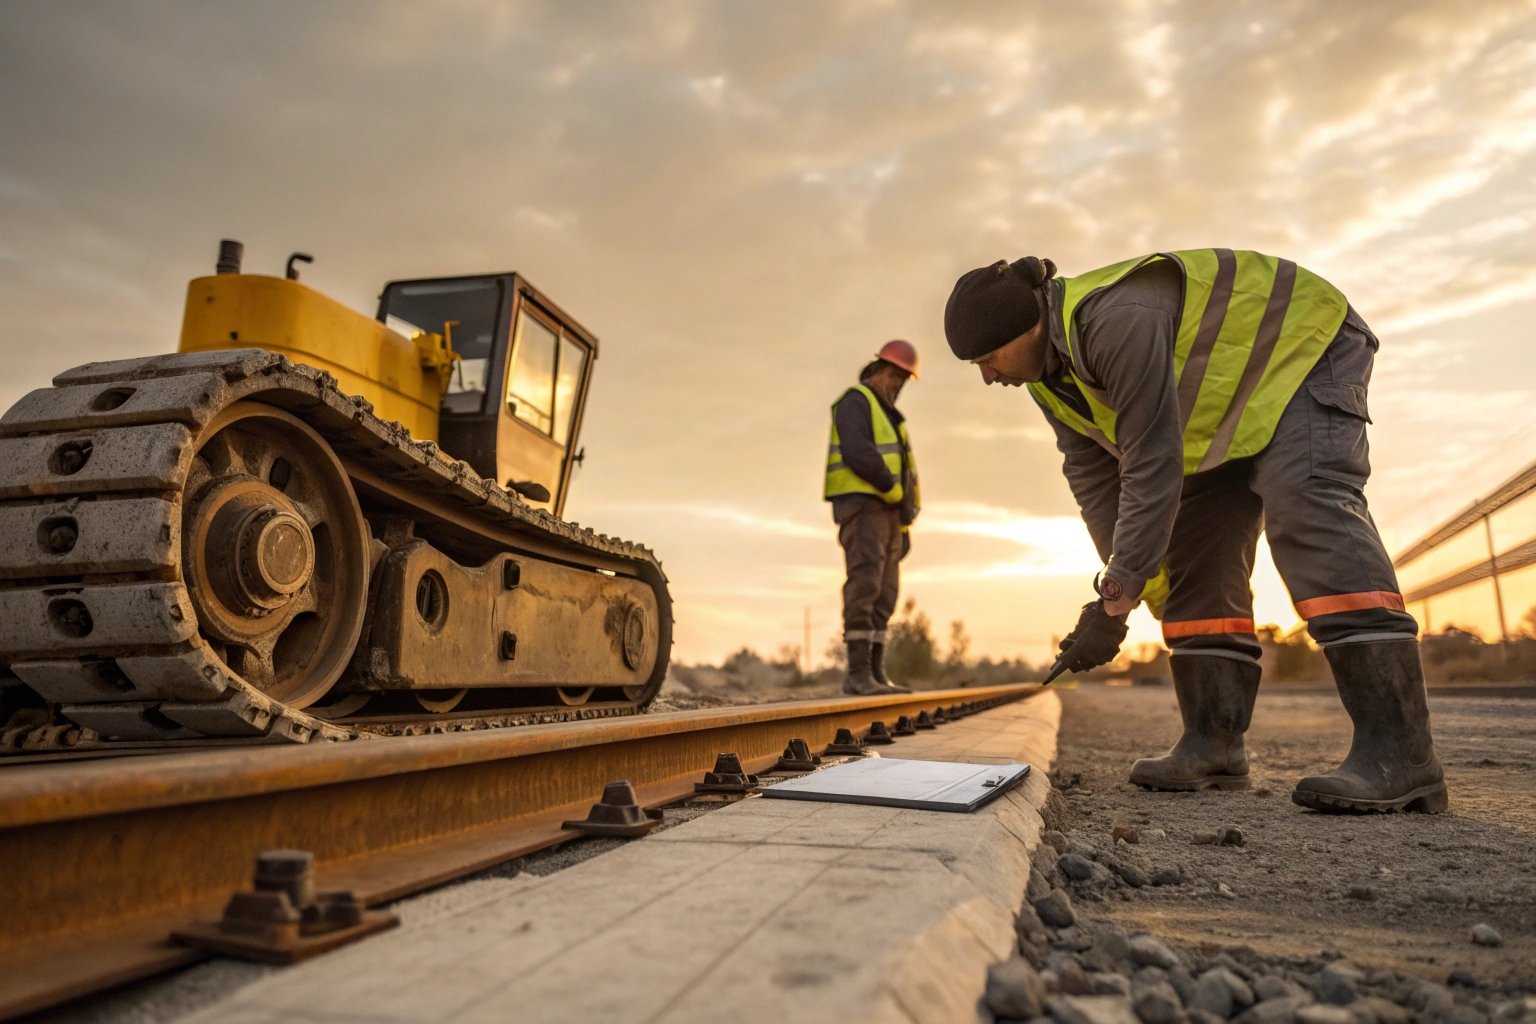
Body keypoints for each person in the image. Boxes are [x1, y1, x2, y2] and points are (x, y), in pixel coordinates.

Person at [943, 250, 1446, 814]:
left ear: (1028, 325)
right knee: (1194, 556)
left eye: (988, 358)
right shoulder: (1048, 383)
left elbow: (1151, 458)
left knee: (1307, 508)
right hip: (1227, 415)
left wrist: (1121, 590)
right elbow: (1093, 480)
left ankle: (1400, 756)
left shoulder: (1115, 320)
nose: (988, 376)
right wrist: (1120, 592)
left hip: (1303, 349)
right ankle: (1214, 744)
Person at [824, 340, 921, 695]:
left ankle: (875, 674)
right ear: (882, 372)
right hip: (864, 508)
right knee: (865, 583)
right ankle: (858, 674)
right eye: (898, 377)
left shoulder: (892, 418)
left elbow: (905, 472)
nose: (899, 386)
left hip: (891, 516)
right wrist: (891, 490)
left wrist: (906, 521)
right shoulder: (855, 401)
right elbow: (858, 452)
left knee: (886, 593)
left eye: (904, 380)